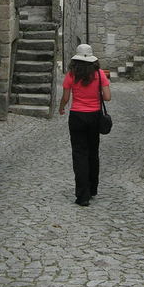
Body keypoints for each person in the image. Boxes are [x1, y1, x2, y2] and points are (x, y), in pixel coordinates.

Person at [58, 44, 111, 206]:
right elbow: (107, 97)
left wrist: (61, 108)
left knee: (79, 154)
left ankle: (83, 195)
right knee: (93, 153)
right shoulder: (99, 74)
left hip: (77, 117)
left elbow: (66, 97)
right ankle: (93, 188)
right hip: (94, 116)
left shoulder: (71, 75)